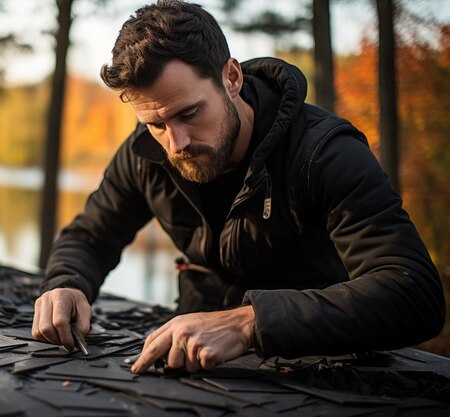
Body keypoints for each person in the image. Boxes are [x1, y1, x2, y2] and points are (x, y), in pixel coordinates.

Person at [31, 0, 445, 373]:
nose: (177, 143)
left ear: (231, 77)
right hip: (188, 369)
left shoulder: (324, 153)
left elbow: (414, 295)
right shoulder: (147, 153)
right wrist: (66, 283)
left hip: (321, 371)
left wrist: (250, 321)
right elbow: (91, 234)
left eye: (190, 113)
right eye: (156, 124)